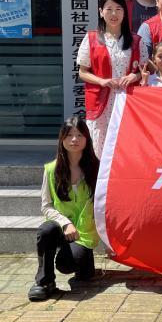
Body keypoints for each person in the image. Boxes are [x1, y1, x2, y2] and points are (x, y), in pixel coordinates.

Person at [28, 116, 99, 301]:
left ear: (87, 139)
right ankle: (44, 282)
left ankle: (84, 262)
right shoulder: (51, 169)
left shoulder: (97, 168)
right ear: (62, 139)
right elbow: (46, 205)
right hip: (61, 228)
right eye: (69, 135)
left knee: (68, 265)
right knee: (46, 230)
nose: (74, 139)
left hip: (84, 233)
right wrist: (65, 223)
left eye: (79, 135)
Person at [78, 0, 144, 158]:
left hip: (128, 100)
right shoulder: (92, 38)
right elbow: (82, 72)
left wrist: (134, 77)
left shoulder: (136, 40)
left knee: (126, 146)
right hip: (102, 102)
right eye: (109, 9)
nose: (114, 14)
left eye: (118, 9)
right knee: (99, 146)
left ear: (124, 12)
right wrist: (101, 81)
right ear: (101, 12)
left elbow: (145, 71)